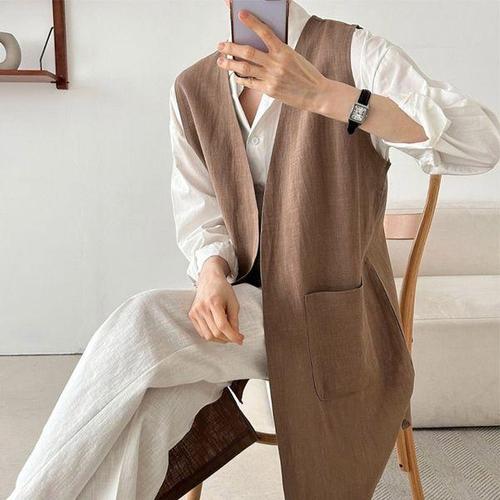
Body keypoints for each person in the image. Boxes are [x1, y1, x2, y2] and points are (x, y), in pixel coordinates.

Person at [8, 1, 499, 499]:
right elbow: (201, 213)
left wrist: (327, 95)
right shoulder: (194, 87)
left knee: (142, 323)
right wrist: (211, 274)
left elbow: (482, 143)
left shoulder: (354, 52)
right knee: (155, 408)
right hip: (244, 312)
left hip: (339, 321)